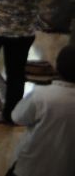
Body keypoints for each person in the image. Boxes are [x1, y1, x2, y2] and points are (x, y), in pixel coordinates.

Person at [8, 46, 75, 176]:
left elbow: (17, 117)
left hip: (32, 162)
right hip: (66, 166)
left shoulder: (42, 95)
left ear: (57, 67)